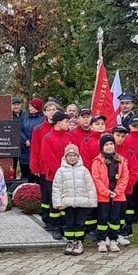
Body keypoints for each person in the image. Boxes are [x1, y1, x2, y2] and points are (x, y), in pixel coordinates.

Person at [53, 144, 97, 255]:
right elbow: (57, 188)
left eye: (74, 155)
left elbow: (90, 186)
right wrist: (57, 202)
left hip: (81, 202)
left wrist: (92, 201)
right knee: (69, 223)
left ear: (78, 156)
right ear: (65, 157)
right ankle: (70, 241)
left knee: (80, 223)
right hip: (67, 203)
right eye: (69, 155)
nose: (72, 157)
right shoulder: (61, 171)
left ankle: (79, 242)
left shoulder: (84, 170)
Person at [39, 110, 75, 240]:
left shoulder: (69, 137)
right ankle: (55, 227)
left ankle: (65, 225)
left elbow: (74, 155)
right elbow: (48, 158)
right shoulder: (48, 138)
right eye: (66, 122)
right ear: (58, 123)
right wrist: (61, 172)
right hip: (54, 177)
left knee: (66, 202)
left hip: (69, 175)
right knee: (55, 203)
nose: (68, 124)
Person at [91, 134, 130, 253]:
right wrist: (107, 192)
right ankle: (102, 240)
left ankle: (113, 239)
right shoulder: (97, 162)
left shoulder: (121, 160)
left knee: (115, 219)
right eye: (106, 144)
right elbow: (96, 179)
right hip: (103, 196)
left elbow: (124, 178)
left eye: (111, 144)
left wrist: (117, 191)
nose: (109, 146)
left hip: (118, 196)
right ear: (102, 147)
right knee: (102, 218)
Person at [31, 101, 61, 228]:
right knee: (46, 195)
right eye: (49, 110)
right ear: (44, 113)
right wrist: (35, 166)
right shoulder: (38, 129)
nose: (52, 112)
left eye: (54, 109)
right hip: (44, 168)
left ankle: (58, 219)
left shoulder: (61, 127)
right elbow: (35, 149)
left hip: (59, 168)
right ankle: (46, 219)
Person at [111, 125, 138, 245]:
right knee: (109, 213)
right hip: (109, 190)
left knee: (121, 213)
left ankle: (120, 233)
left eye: (123, 136)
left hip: (124, 190)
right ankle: (109, 235)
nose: (120, 138)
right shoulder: (107, 150)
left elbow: (133, 170)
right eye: (117, 135)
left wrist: (126, 186)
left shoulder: (129, 152)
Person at [19, 98, 44, 180]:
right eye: (29, 106)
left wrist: (34, 141)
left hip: (37, 148)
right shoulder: (25, 117)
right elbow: (20, 130)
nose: (30, 108)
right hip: (25, 149)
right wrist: (25, 140)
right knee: (26, 173)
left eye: (32, 106)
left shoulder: (43, 118)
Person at [11, 97, 27, 177]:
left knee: (24, 165)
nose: (16, 106)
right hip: (13, 144)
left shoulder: (26, 115)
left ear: (21, 105)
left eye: (18, 104)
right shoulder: (8, 115)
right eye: (14, 105)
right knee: (12, 166)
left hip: (24, 144)